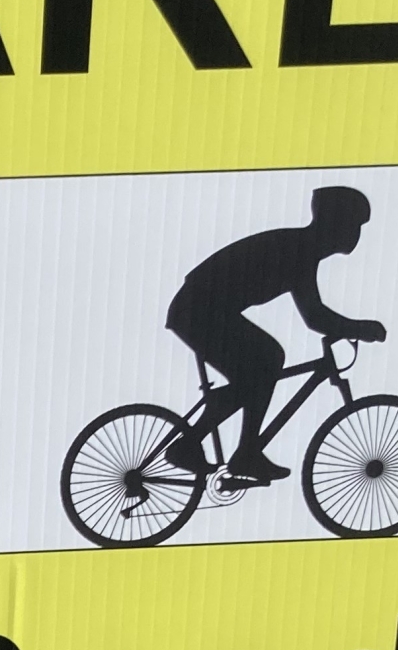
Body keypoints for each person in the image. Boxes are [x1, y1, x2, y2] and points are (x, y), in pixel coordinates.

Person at [164, 186, 385, 483]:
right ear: (336, 224)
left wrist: (353, 327)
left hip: (199, 309)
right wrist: (359, 328)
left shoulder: (301, 248)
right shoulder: (299, 250)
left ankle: (224, 445)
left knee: (259, 369)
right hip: (196, 309)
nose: (355, 234)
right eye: (354, 225)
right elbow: (315, 316)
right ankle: (235, 451)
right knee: (267, 360)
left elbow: (315, 315)